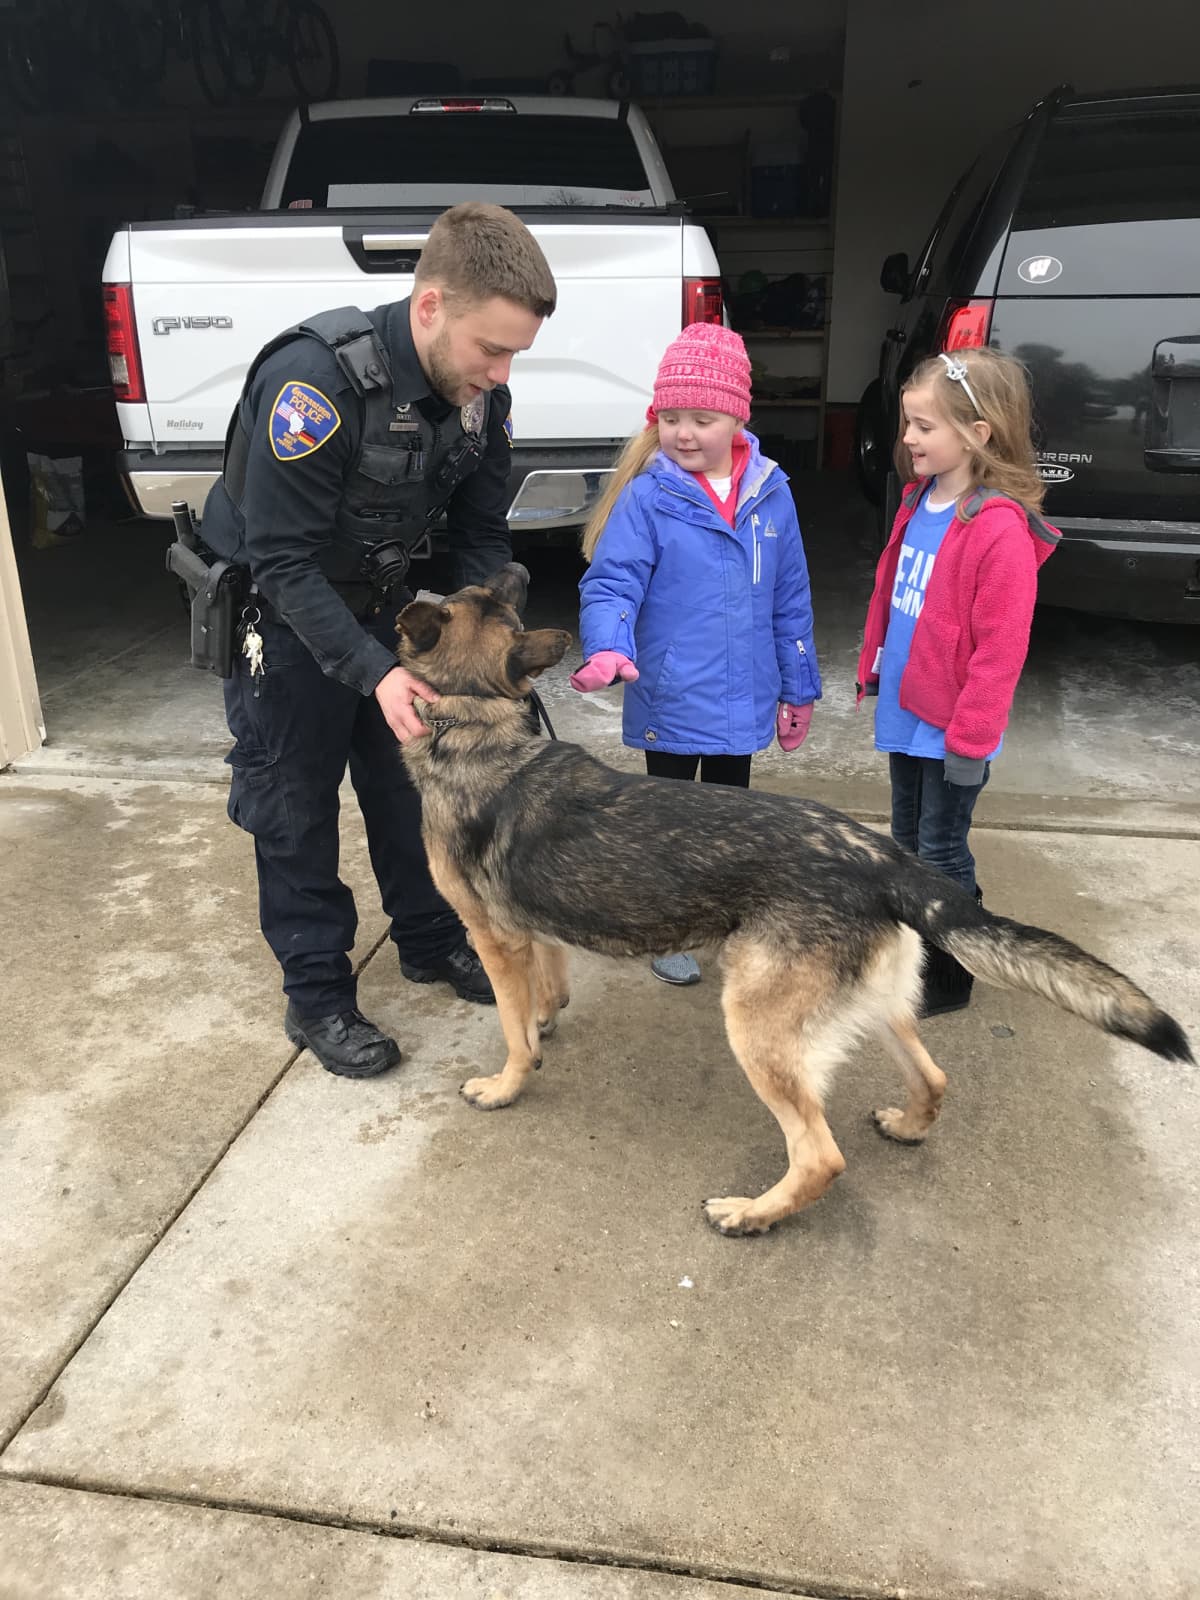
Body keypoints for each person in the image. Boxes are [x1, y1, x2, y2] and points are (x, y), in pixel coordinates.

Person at [199, 202, 556, 1078]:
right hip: (281, 618)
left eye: (515, 354)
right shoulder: (312, 386)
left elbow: (480, 534)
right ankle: (317, 993)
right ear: (430, 306)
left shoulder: (479, 401)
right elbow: (281, 561)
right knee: (294, 809)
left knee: (411, 792)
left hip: (387, 608)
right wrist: (373, 673)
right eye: (491, 348)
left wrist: (483, 628)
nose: (501, 372)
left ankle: (429, 939)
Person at [571, 322, 821, 987]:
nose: (684, 432)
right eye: (671, 417)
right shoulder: (651, 496)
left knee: (733, 822)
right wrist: (607, 646)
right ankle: (665, 924)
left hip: (744, 695)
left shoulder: (772, 492)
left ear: (738, 417)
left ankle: (726, 920)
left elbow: (791, 597)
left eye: (702, 418)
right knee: (668, 823)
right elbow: (614, 580)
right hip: (673, 694)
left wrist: (799, 687)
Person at [856, 348, 1060, 1015]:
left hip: (954, 730)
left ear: (979, 433)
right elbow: (895, 601)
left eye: (923, 425)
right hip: (911, 711)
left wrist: (972, 742)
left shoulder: (997, 529)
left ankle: (950, 972)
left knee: (941, 851)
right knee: (909, 842)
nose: (907, 438)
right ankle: (920, 950)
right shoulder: (918, 502)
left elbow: (1001, 652)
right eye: (908, 423)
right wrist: (875, 668)